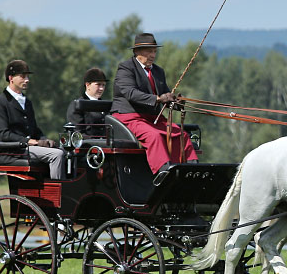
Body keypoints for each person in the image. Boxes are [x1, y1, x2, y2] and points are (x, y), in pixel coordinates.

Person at [110, 32, 198, 174]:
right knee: (154, 136)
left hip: (153, 119)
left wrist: (176, 103)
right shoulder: (125, 68)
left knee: (182, 135)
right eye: (149, 51)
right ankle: (163, 173)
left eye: (155, 51)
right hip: (130, 117)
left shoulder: (158, 71)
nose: (153, 55)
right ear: (137, 51)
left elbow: (165, 96)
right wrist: (157, 99)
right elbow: (130, 93)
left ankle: (189, 171)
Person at [0, 60, 66, 179]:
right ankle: (58, 194)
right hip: (13, 151)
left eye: (27, 77)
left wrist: (45, 140)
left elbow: (34, 129)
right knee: (57, 155)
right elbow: (3, 134)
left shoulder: (27, 102)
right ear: (11, 78)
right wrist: (32, 142)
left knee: (64, 152)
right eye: (23, 76)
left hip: (27, 148)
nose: (27, 80)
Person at [66, 67, 109, 136]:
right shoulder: (77, 105)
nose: (101, 88)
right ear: (87, 85)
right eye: (98, 84)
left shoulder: (106, 106)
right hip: (87, 145)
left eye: (103, 85)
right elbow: (78, 132)